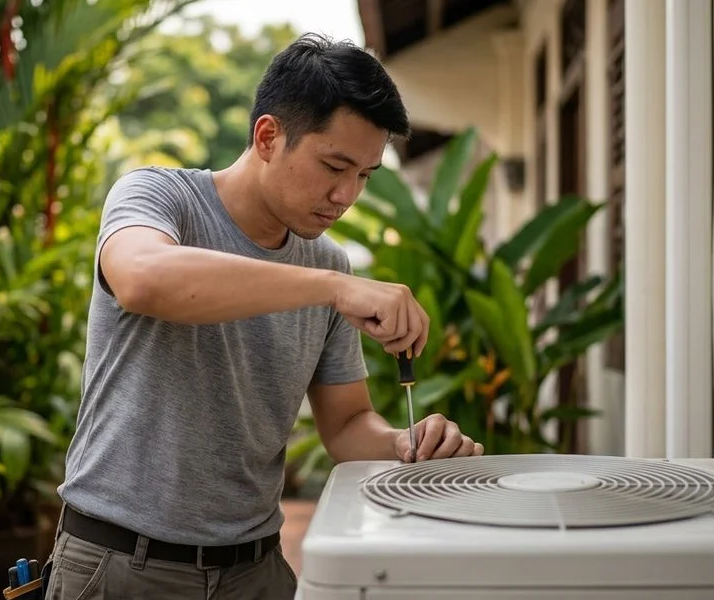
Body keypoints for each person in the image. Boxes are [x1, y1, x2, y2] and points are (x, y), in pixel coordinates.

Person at [46, 32, 485, 599]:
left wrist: (405, 443)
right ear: (269, 135)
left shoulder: (327, 266)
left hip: (256, 573)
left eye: (365, 175)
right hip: (122, 565)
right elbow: (143, 279)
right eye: (335, 166)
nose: (347, 193)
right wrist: (330, 289)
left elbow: (347, 425)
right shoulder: (159, 198)